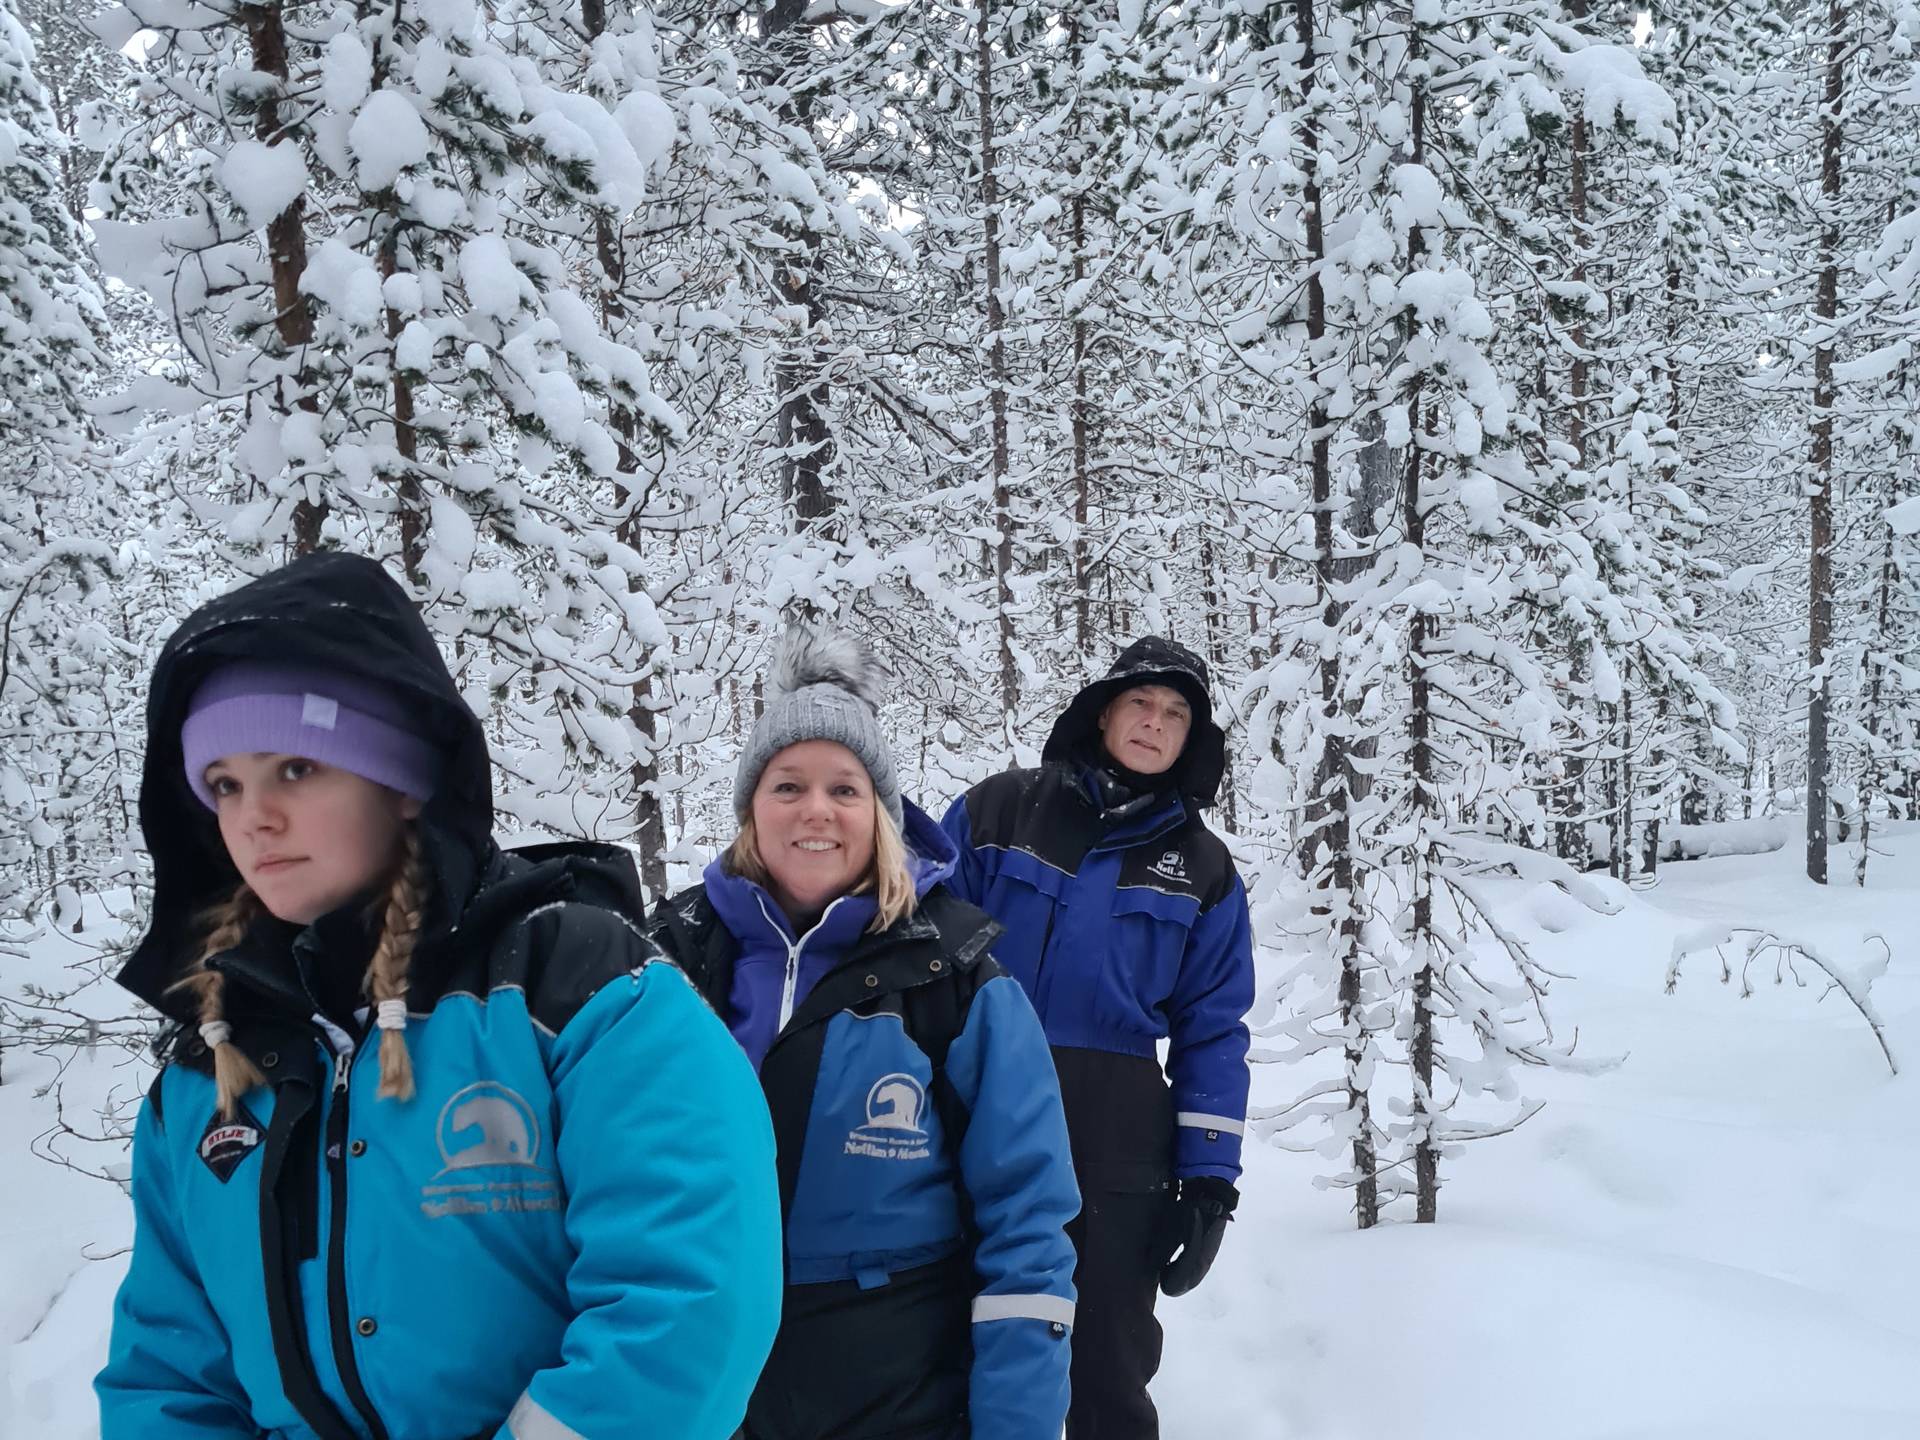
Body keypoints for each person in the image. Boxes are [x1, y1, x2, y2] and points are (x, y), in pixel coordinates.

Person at [95, 551, 783, 1440]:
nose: (252, 818)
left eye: (296, 769)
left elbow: (690, 1299)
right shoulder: (209, 1070)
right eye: (224, 784)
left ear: (403, 779)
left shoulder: (580, 990)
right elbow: (167, 1372)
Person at [647, 628, 1080, 1440]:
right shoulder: (669, 962)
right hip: (694, 1396)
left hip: (895, 1402)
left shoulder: (958, 981)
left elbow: (1026, 1226)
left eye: (845, 789)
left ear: (881, 814)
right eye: (788, 786)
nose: (816, 810)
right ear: (751, 808)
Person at [940, 636, 1255, 1440]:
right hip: (976, 1100)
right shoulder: (998, 811)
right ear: (1104, 711)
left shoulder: (1205, 868)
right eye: (1142, 704)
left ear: (1193, 739)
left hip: (1117, 1131)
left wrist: (1210, 1181)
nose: (1156, 723)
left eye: (1177, 714)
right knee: (947, 1330)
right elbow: (918, 952)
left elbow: (1213, 1027)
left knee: (1104, 1355)